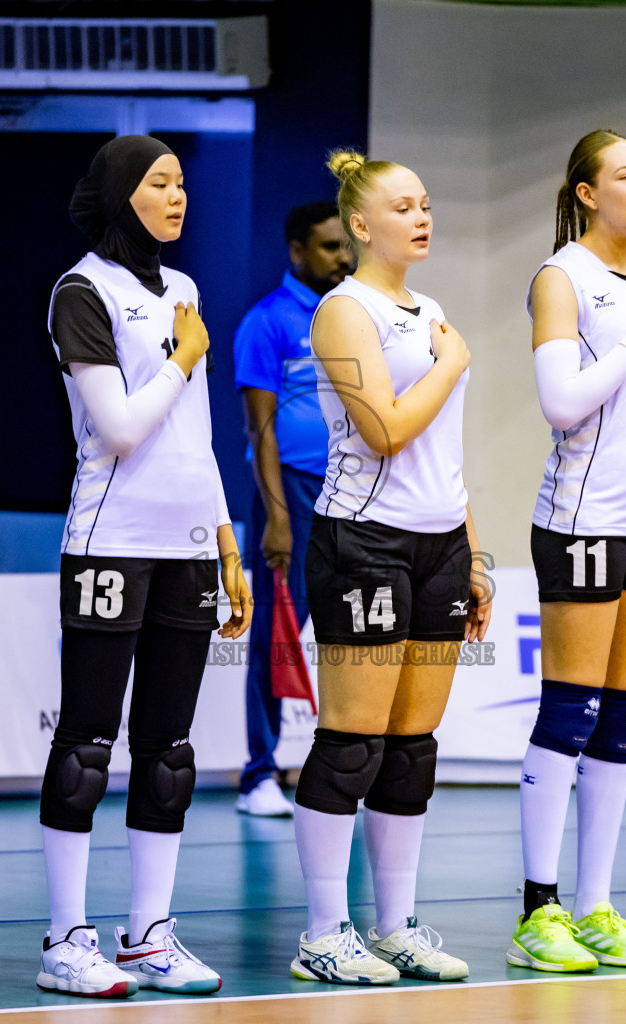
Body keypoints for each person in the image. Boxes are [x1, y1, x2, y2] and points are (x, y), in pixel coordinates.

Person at [36, 134, 253, 1000]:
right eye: (160, 184)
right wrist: (182, 356)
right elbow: (120, 428)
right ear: (123, 194)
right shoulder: (81, 290)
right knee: (88, 744)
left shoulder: (185, 292)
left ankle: (148, 935)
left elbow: (194, 440)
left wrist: (225, 543)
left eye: (182, 184)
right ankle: (64, 936)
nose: (178, 197)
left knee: (168, 752)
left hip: (187, 547)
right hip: (110, 540)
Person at [289, 149, 490, 987]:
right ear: (362, 225)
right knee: (351, 745)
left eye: (427, 203)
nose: (422, 217)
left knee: (411, 748)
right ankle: (322, 931)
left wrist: (472, 553)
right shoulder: (344, 310)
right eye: (403, 207)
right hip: (362, 540)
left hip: (437, 541)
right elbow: (385, 431)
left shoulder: (432, 308)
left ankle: (395, 925)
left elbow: (441, 446)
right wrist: (452, 362)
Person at [508, 129, 626, 974]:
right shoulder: (562, 278)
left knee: (624, 719)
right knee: (572, 710)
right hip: (585, 519)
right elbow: (561, 402)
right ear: (588, 193)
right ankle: (536, 911)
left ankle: (594, 907)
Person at [233, 200, 353, 817]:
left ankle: (342, 768)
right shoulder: (268, 321)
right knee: (278, 640)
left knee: (350, 635)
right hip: (296, 495)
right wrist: (277, 513)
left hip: (352, 493)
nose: (342, 257)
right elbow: (260, 429)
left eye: (344, 246)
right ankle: (260, 774)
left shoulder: (351, 313)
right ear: (297, 252)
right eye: (329, 247)